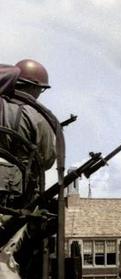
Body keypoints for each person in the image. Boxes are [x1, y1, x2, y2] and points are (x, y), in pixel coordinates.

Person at [0, 59, 55, 208]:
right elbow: (47, 160)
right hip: (19, 196)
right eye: (41, 89)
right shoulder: (39, 117)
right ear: (33, 86)